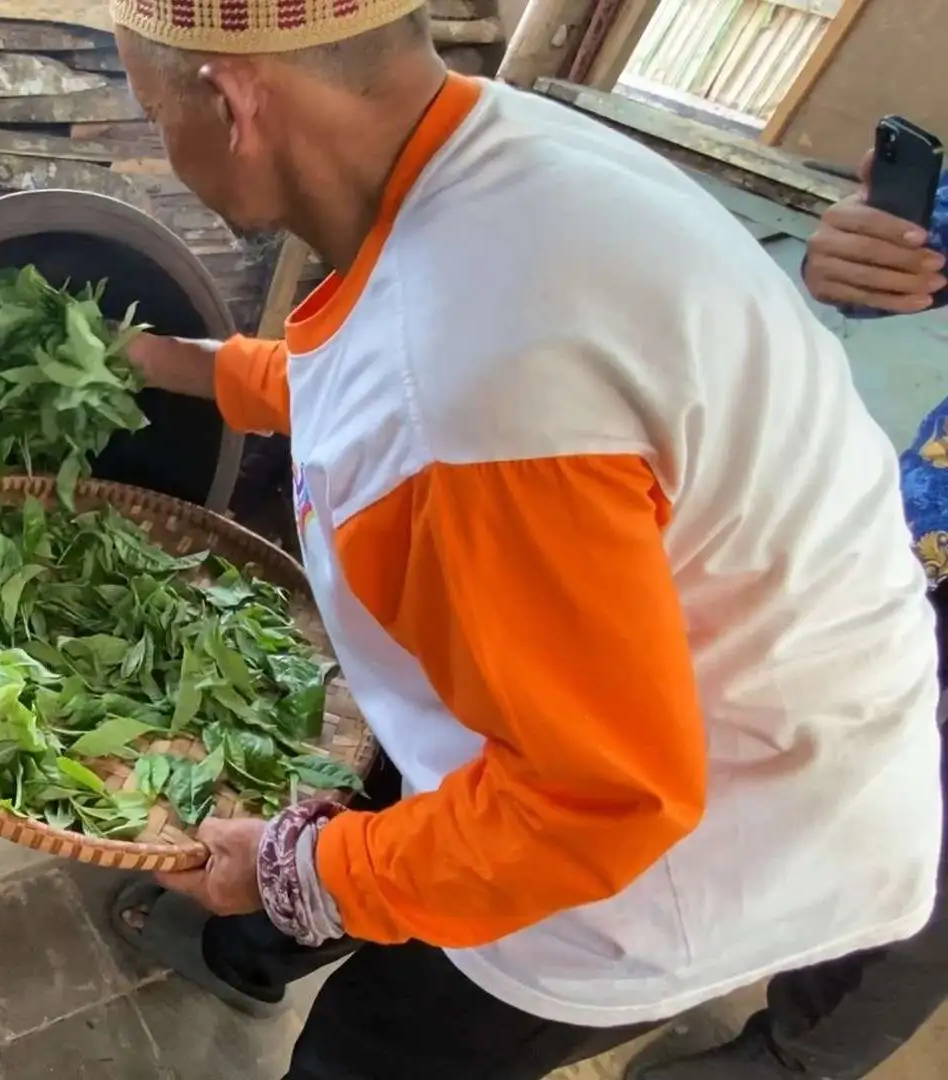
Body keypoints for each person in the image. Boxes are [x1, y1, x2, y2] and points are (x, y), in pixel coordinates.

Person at [102, 2, 942, 1078]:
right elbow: (365, 369)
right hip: (669, 702)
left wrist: (302, 869)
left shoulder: (478, 400)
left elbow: (593, 809)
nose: (167, 151)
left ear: (230, 99)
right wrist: (172, 363)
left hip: (664, 851)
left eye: (152, 107)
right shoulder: (494, 153)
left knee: (379, 1050)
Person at [626, 155, 948, 1080]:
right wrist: (857, 255)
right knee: (817, 748)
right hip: (922, 545)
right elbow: (905, 261)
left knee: (929, 881)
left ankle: (794, 1057)